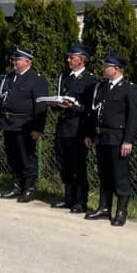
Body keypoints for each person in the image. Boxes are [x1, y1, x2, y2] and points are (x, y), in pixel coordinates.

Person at [84, 54, 137, 226]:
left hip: (118, 139)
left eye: (106, 66)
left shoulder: (128, 89)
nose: (103, 69)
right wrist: (90, 134)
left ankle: (121, 211)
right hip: (102, 137)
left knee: (120, 176)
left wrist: (128, 140)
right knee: (104, 174)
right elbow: (94, 112)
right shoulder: (102, 87)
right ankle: (104, 208)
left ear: (116, 69)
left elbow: (134, 117)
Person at [0, 47, 49, 203]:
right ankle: (17, 186)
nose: (14, 62)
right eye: (14, 60)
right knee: (12, 157)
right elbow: (2, 99)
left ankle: (29, 189)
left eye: (17, 60)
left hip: (25, 125)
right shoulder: (10, 77)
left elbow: (41, 106)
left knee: (26, 158)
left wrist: (38, 128)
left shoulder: (36, 80)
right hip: (9, 123)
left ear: (27, 62)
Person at [50, 43, 95, 212]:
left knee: (78, 165)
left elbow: (89, 109)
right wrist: (55, 104)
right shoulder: (65, 77)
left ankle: (81, 200)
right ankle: (68, 197)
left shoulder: (90, 80)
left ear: (82, 60)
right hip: (63, 126)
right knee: (63, 163)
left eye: (72, 57)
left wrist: (74, 106)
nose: (68, 60)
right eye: (68, 57)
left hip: (78, 128)